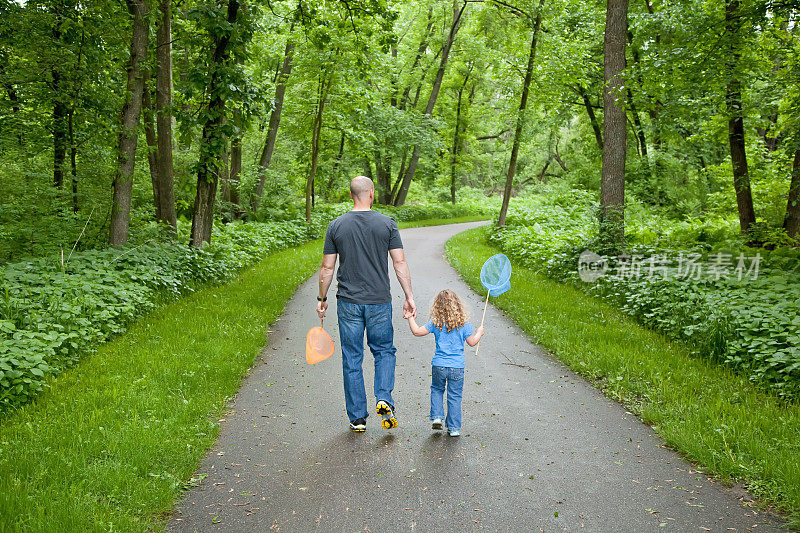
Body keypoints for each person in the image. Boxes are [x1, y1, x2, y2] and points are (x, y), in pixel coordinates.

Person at [317, 176, 417, 433]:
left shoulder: (336, 226)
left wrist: (322, 298)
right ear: (371, 193)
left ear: (351, 195)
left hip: (348, 302)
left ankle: (358, 418)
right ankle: (384, 397)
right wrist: (409, 295)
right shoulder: (387, 224)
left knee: (352, 357)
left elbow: (327, 268)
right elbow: (399, 263)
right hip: (379, 302)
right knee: (384, 351)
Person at [405, 289, 484, 437]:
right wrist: (479, 332)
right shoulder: (464, 324)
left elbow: (417, 331)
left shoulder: (436, 322)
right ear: (458, 305)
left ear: (437, 306)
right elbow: (472, 342)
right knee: (454, 396)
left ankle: (437, 417)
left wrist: (410, 317)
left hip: (439, 365)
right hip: (457, 367)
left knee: (437, 389)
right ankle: (454, 428)